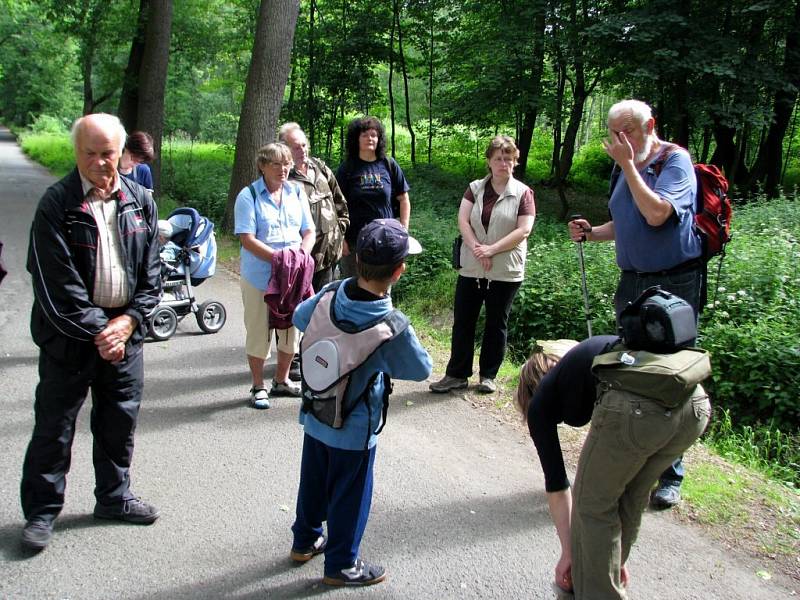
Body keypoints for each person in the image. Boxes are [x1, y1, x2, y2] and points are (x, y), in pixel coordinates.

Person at [21, 113, 162, 551]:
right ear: (76, 153)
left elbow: (153, 276)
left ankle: (114, 498)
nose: (102, 162)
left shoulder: (141, 200)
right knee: (55, 426)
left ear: (121, 153)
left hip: (125, 331)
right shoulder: (56, 204)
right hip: (70, 338)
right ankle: (42, 512)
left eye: (109, 153)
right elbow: (55, 286)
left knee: (119, 421)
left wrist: (129, 322)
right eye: (92, 154)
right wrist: (105, 333)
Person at [567, 99, 703, 509]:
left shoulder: (673, 161)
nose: (621, 140)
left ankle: (671, 475)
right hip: (633, 281)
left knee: (668, 372)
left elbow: (658, 214)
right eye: (614, 133)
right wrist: (592, 233)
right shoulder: (622, 165)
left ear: (651, 125)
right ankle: (630, 454)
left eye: (629, 130)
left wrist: (629, 166)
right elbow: (627, 222)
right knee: (629, 367)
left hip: (674, 281)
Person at [289, 218, 432, 586]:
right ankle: (341, 564)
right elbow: (420, 369)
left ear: (357, 260)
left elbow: (299, 317)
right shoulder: (390, 326)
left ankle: (304, 541)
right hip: (354, 428)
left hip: (316, 413)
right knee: (350, 494)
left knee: (313, 481)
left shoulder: (331, 293)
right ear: (398, 272)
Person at [516, 335, 710, 599]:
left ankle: (595, 585)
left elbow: (558, 485)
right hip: (695, 405)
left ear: (529, 389)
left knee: (592, 503)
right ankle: (608, 571)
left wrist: (569, 553)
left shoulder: (542, 403)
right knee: (631, 494)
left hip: (643, 410)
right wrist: (614, 558)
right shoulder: (596, 363)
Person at [430, 135, 535, 394]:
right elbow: (463, 221)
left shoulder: (523, 193)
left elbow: (524, 230)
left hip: (505, 270)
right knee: (464, 320)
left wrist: (492, 249)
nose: (503, 163)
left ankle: (488, 376)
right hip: (472, 267)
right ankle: (456, 374)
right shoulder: (475, 188)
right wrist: (478, 249)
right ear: (489, 161)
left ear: (515, 162)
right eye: (498, 158)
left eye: (508, 159)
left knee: (496, 323)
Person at [233, 142, 315, 408]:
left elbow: (308, 231)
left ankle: (281, 381)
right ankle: (258, 386)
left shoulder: (296, 194)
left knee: (293, 330)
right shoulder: (249, 196)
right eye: (276, 164)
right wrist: (280, 261)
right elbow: (247, 239)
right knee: (259, 330)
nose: (283, 169)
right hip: (260, 276)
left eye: (287, 163)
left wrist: (301, 256)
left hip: (294, 276)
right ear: (262, 166)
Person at [335, 117, 410, 278]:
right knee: (354, 287)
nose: (370, 138)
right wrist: (341, 239)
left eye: (374, 135)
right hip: (355, 242)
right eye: (364, 135)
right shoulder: (347, 168)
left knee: (383, 286)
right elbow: (334, 206)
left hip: (386, 239)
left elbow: (404, 199)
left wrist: (403, 229)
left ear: (379, 139)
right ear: (356, 139)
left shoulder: (389, 165)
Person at [278, 122, 349, 291]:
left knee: (328, 306)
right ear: (284, 149)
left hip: (332, 255)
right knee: (307, 310)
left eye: (303, 145)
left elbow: (339, 201)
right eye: (296, 147)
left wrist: (341, 232)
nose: (302, 150)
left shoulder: (320, 167)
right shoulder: (283, 178)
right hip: (306, 260)